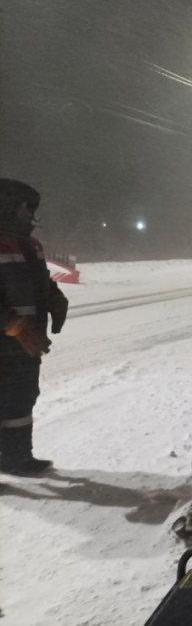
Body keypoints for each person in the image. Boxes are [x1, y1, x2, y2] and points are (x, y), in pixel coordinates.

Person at [0, 179, 68, 475]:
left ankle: (17, 459)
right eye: (26, 207)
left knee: (23, 396)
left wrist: (55, 296)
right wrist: (9, 323)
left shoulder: (30, 243)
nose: (30, 214)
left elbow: (41, 280)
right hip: (7, 337)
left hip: (26, 340)